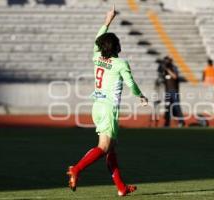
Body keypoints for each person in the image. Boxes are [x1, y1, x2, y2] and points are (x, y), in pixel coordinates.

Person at [66, 5, 148, 197]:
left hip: (97, 107)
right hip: (109, 109)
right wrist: (141, 96)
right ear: (116, 47)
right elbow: (131, 83)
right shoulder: (120, 63)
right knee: (103, 147)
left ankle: (121, 188)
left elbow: (97, 42)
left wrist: (107, 20)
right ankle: (76, 169)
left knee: (111, 150)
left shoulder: (96, 57)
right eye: (118, 43)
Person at [160, 56, 185, 127]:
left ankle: (181, 121)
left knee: (176, 106)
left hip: (174, 91)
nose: (166, 63)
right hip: (167, 91)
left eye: (167, 61)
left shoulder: (174, 68)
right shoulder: (164, 70)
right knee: (167, 107)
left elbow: (175, 77)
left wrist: (168, 70)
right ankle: (167, 123)